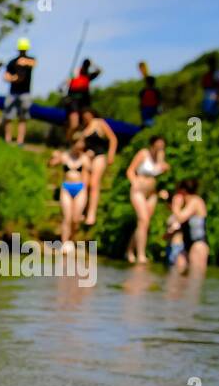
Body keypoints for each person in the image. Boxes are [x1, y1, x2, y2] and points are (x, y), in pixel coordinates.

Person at [124, 135, 168, 264]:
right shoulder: (143, 154)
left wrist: (163, 165)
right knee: (143, 220)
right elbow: (130, 170)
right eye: (158, 145)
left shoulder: (160, 157)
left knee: (144, 223)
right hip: (138, 191)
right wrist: (134, 182)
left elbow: (162, 171)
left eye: (162, 145)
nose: (160, 147)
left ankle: (129, 251)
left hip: (152, 192)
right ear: (152, 144)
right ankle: (141, 255)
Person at [78, 106, 117, 227]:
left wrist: (111, 154)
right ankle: (81, 210)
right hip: (87, 157)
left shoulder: (99, 123)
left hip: (99, 155)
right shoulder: (84, 127)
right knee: (84, 185)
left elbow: (113, 138)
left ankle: (91, 213)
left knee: (94, 183)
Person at [49, 135, 90, 244]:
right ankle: (64, 242)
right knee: (67, 217)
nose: (80, 147)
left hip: (80, 188)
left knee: (75, 219)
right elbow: (51, 164)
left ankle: (72, 239)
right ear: (73, 144)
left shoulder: (85, 158)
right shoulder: (65, 156)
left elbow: (88, 175)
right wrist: (54, 156)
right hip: (66, 188)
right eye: (78, 144)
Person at [166, 179, 209, 274]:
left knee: (195, 278)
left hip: (198, 244)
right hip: (186, 246)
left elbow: (181, 218)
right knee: (177, 273)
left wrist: (175, 205)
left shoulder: (195, 201)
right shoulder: (186, 204)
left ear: (183, 191)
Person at [3, 38, 36, 146]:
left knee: (23, 117)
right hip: (13, 92)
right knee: (8, 116)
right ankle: (7, 140)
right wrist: (14, 78)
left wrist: (24, 62)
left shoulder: (30, 60)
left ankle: (20, 141)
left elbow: (34, 63)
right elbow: (6, 76)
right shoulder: (12, 62)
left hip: (25, 93)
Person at [65, 58, 102, 136]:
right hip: (73, 102)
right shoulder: (76, 74)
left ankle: (84, 141)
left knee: (90, 122)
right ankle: (68, 142)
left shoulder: (88, 76)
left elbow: (100, 71)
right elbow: (67, 83)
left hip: (84, 103)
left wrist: (92, 64)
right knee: (74, 125)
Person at [201, 55, 219, 120]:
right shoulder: (208, 73)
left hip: (214, 92)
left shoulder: (218, 72)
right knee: (208, 111)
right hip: (208, 92)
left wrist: (218, 95)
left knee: (213, 111)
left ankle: (213, 123)